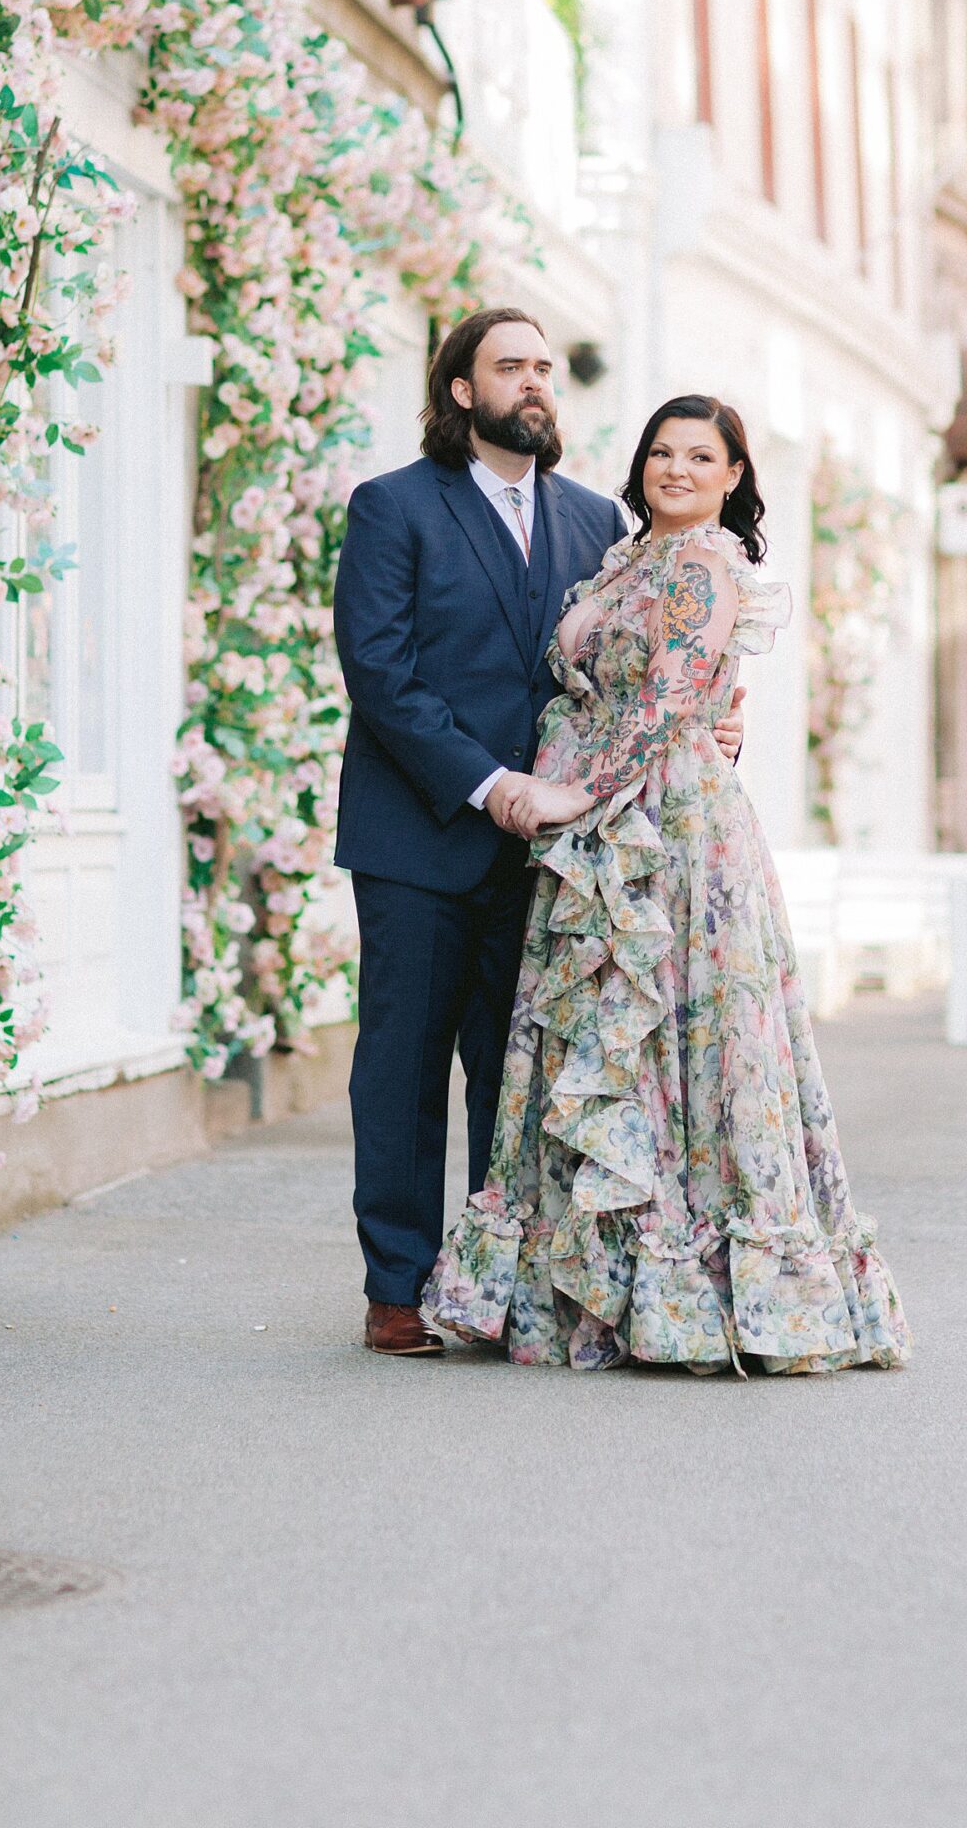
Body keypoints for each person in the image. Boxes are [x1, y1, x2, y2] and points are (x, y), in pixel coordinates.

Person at [425, 394, 911, 1375]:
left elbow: (666, 703)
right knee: (610, 1045)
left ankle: (700, 1294)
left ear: (735, 476)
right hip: (600, 827)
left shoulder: (705, 564)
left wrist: (564, 795)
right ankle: (595, 1285)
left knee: (689, 1041)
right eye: (661, 452)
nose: (677, 468)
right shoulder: (625, 554)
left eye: (701, 455)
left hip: (672, 833)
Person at [332, 311, 746, 1356]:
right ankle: (395, 1288)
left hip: (563, 853)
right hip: (422, 835)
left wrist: (710, 722)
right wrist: (488, 783)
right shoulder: (392, 507)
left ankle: (495, 1284)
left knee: (523, 1078)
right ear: (462, 389)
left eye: (545, 370)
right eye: (510, 367)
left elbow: (636, 664)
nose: (534, 385)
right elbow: (382, 673)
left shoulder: (594, 520)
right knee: (404, 1066)